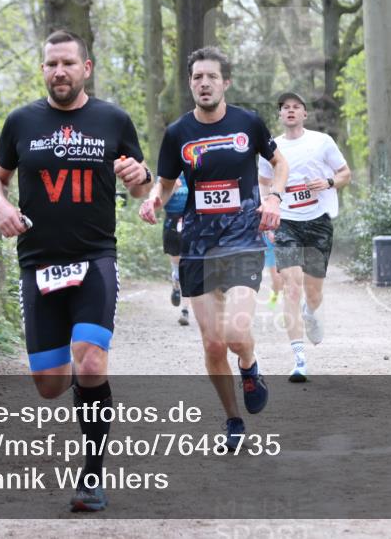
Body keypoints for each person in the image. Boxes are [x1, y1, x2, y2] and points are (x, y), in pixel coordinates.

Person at [0, 30, 151, 512]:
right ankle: (83, 384)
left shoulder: (112, 119)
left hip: (95, 257)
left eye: (68, 64)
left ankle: (91, 476)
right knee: (51, 385)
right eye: (51, 64)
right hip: (38, 264)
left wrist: (138, 179)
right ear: (43, 70)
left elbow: (139, 186)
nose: (60, 72)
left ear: (86, 68)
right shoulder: (21, 123)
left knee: (91, 360)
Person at [138, 46, 288, 447]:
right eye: (196, 78)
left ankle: (251, 365)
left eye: (211, 77)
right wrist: (154, 198)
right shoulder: (177, 134)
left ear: (226, 82)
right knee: (212, 342)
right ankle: (233, 420)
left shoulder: (248, 124)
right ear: (191, 84)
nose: (203, 83)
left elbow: (280, 163)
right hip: (198, 244)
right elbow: (166, 182)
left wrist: (273, 198)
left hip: (242, 239)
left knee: (237, 334)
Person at [259, 91, 351, 382]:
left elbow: (345, 173)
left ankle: (310, 314)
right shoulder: (271, 148)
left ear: (304, 114)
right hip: (286, 223)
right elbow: (263, 182)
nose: (290, 111)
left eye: (296, 107)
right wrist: (268, 211)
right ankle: (299, 359)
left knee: (313, 292)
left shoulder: (321, 142)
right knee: (292, 286)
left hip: (318, 222)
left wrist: (327, 182)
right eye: (284, 107)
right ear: (279, 115)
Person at [162, 173, 191, 325]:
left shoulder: (193, 173)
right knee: (177, 264)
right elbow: (160, 203)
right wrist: (172, 188)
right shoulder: (167, 174)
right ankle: (175, 284)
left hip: (190, 221)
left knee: (188, 266)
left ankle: (185, 310)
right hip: (172, 222)